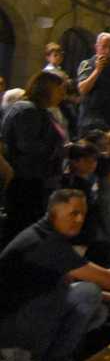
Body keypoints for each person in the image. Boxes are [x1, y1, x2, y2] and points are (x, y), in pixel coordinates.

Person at [0, 190, 110, 361]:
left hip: (18, 319)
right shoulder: (44, 242)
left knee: (98, 309)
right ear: (54, 212)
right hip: (10, 329)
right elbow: (109, 279)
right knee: (89, 293)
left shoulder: (44, 234)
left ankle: (46, 358)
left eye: (83, 214)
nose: (80, 219)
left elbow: (64, 282)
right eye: (74, 213)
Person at [0, 71, 67, 246]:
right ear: (46, 88)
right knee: (20, 229)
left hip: (37, 181)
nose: (63, 94)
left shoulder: (42, 112)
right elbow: (28, 146)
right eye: (59, 89)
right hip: (25, 182)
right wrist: (59, 150)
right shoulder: (27, 110)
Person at [76, 33, 110, 134]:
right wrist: (97, 70)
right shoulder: (88, 64)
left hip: (109, 122)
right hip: (90, 122)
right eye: (104, 46)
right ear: (97, 47)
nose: (107, 51)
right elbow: (82, 89)